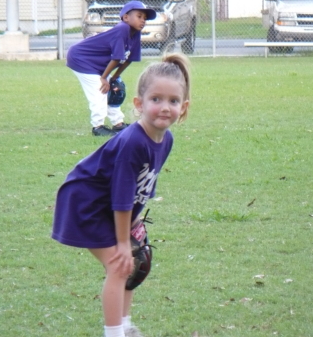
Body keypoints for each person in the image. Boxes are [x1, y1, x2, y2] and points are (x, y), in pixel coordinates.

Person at [52, 52, 191, 337]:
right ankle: (114, 333)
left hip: (107, 205)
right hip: (85, 204)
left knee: (133, 264)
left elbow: (142, 187)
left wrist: (133, 226)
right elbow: (121, 195)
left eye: (173, 101)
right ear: (139, 104)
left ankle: (125, 327)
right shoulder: (133, 142)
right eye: (156, 99)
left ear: (184, 107)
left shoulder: (166, 140)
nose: (165, 107)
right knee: (120, 266)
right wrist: (122, 240)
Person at [66, 1, 156, 137]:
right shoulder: (122, 29)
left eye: (144, 18)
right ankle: (98, 126)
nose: (143, 20)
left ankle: (118, 124)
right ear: (126, 17)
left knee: (116, 89)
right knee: (100, 90)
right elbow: (116, 57)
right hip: (81, 58)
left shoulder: (135, 33)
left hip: (98, 64)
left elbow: (129, 59)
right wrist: (103, 78)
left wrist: (114, 78)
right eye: (139, 16)